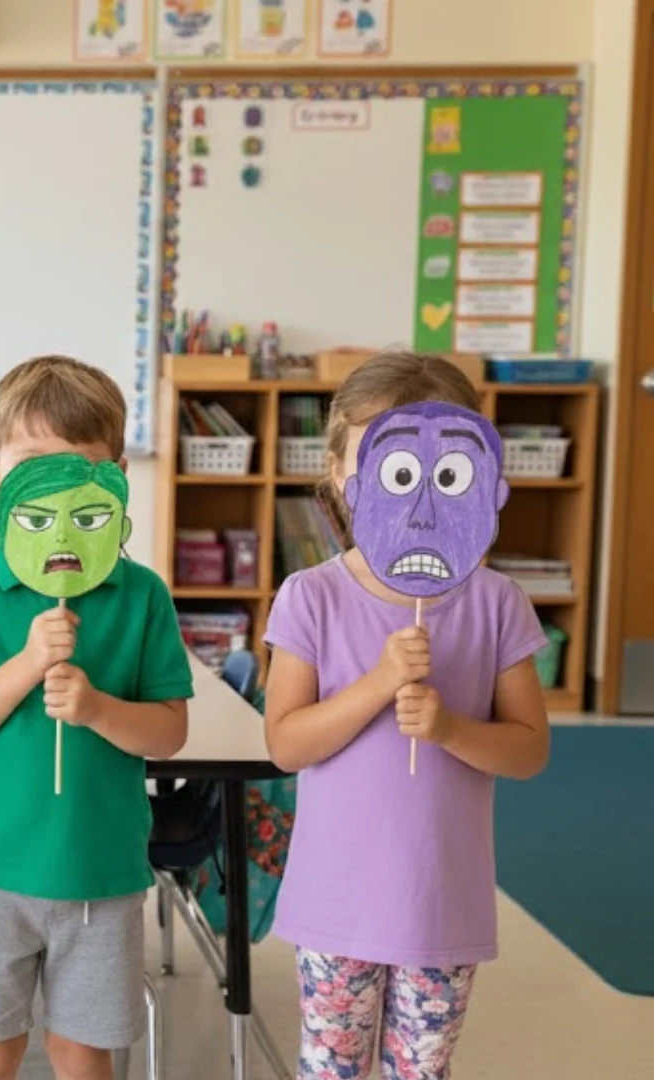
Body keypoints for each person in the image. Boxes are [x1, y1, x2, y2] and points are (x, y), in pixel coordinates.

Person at [264, 352, 550, 1080]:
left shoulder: (495, 603)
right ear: (339, 472)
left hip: (440, 907)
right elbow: (287, 744)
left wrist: (451, 728)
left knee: (420, 1073)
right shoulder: (310, 596)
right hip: (337, 903)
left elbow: (527, 751)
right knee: (330, 1069)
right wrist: (378, 684)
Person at [0, 356, 192, 1080]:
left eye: (82, 469)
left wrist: (98, 707)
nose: (62, 489)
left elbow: (168, 735)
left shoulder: (142, 596)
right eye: (36, 468)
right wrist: (24, 666)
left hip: (99, 872)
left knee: (83, 1050)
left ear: (118, 476)